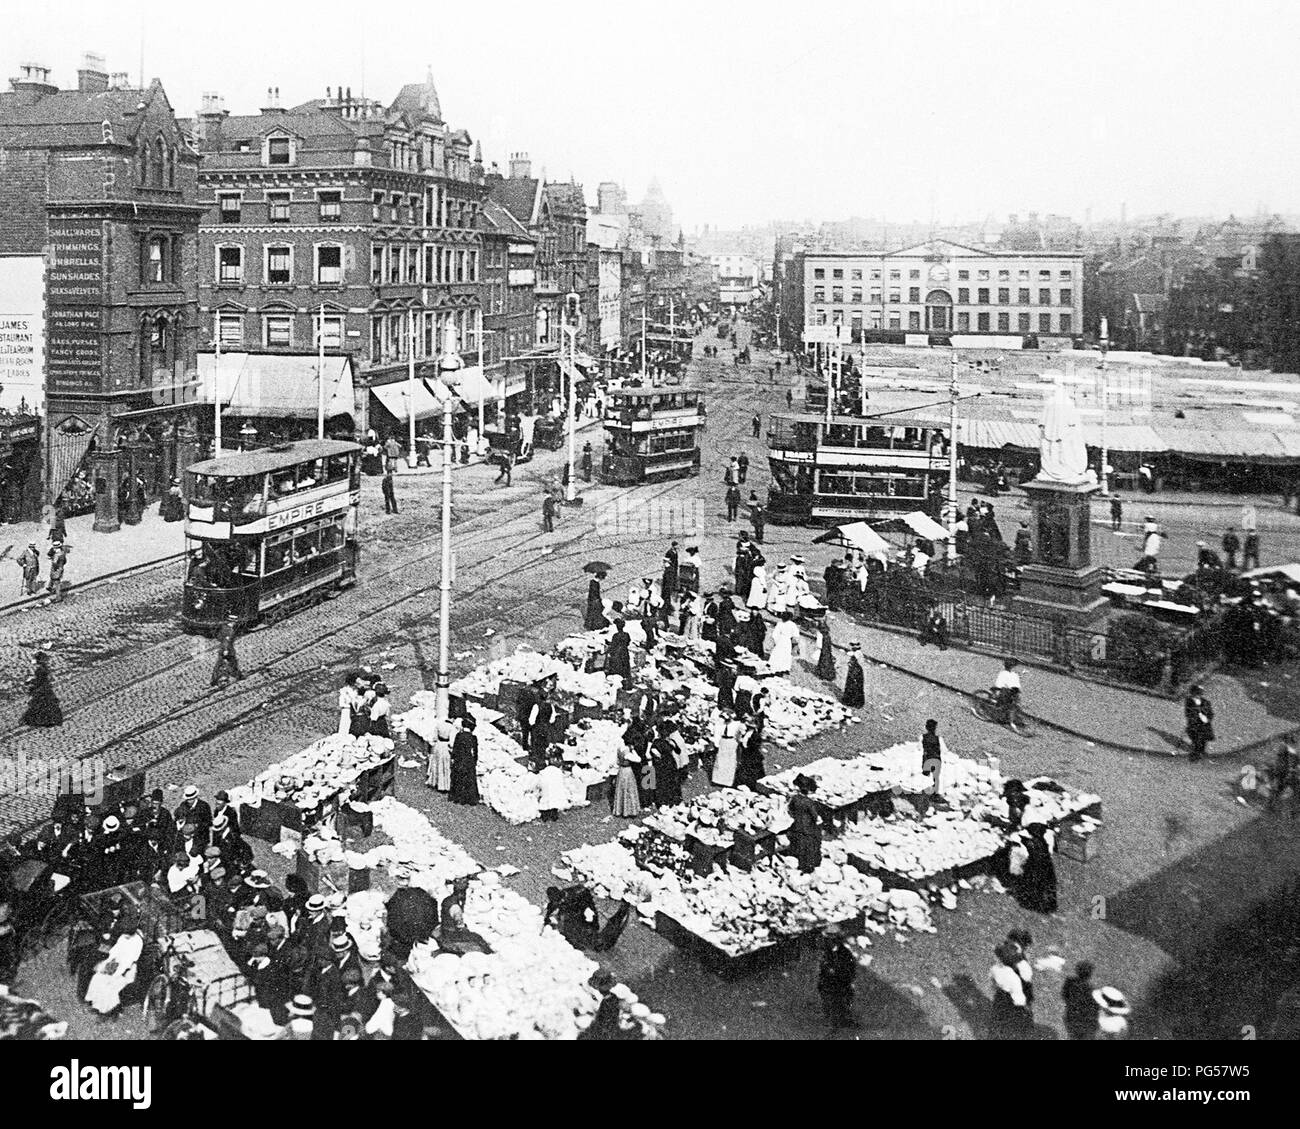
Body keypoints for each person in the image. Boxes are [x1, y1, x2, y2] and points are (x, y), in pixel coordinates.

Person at [987, 939, 1033, 1039]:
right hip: (1011, 1002)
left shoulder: (995, 969)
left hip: (999, 998)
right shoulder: (1014, 977)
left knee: (996, 1024)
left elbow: (993, 983)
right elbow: (1019, 999)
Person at [817, 925, 858, 1029]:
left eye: (830, 939)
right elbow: (823, 969)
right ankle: (834, 1021)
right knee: (830, 1002)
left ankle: (843, 1019)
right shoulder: (827, 952)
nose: (827, 941)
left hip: (842, 982)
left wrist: (838, 973)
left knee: (843, 1001)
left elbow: (850, 969)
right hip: (829, 983)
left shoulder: (845, 953)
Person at [1013, 823, 1058, 913]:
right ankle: (1049, 902)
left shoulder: (1034, 843)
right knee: (1047, 884)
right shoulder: (1042, 841)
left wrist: (1021, 838)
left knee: (1037, 884)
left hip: (1037, 867)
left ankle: (1037, 902)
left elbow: (1028, 845)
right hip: (1045, 866)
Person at [787, 774, 822, 873]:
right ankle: (808, 866)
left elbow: (790, 809)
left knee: (800, 846)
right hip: (808, 827)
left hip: (797, 825)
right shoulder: (809, 802)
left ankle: (800, 863)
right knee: (809, 847)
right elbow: (814, 816)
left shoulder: (795, 799)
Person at [21, 650, 63, 728]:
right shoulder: (44, 667)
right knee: (48, 704)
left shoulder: (40, 669)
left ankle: (41, 721)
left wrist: (30, 682)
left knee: (39, 704)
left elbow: (40, 680)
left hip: (41, 688)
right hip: (45, 688)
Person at [1062, 961, 1099, 1040]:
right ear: (1090, 974)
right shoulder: (1091, 990)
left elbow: (1065, 997)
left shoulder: (1070, 984)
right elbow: (1095, 1009)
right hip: (1085, 1022)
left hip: (1072, 1018)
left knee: (1073, 1037)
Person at [448, 717, 480, 806]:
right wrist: (474, 761)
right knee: (469, 779)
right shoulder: (473, 738)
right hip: (468, 760)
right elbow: (475, 752)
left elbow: (455, 748)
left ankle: (457, 797)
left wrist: (453, 757)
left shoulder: (459, 735)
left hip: (459, 759)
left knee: (458, 777)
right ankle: (469, 798)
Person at [211, 613, 245, 687]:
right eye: (234, 622)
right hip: (228, 650)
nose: (235, 623)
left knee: (219, 664)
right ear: (232, 622)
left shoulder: (223, 627)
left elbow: (218, 637)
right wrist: (226, 650)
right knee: (233, 663)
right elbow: (227, 641)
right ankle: (238, 676)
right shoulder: (230, 630)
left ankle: (214, 680)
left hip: (222, 649)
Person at [712, 710, 743, 787]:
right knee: (720, 760)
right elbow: (717, 733)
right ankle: (717, 780)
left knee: (730, 761)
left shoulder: (737, 724)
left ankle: (728, 781)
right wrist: (716, 744)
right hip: (723, 741)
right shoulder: (720, 724)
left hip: (732, 741)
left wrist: (738, 741)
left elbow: (740, 733)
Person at [1184, 684, 1214, 762]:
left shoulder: (1206, 702)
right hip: (1194, 725)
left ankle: (1201, 753)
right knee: (1196, 740)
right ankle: (1195, 755)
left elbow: (1210, 713)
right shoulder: (1189, 701)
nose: (1198, 695)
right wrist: (1197, 716)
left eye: (1199, 693)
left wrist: (1207, 718)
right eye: (1196, 693)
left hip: (1205, 725)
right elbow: (1188, 713)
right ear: (1192, 693)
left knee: (1203, 740)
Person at [612, 744, 642, 818]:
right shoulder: (628, 753)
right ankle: (630, 811)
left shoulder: (619, 748)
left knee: (621, 790)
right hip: (627, 771)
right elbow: (638, 759)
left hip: (621, 771)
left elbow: (617, 762)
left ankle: (619, 810)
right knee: (629, 790)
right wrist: (633, 750)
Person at [1269, 741, 1300, 814]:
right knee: (1278, 789)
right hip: (1285, 776)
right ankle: (1272, 805)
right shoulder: (1284, 760)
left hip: (1289, 777)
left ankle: (1273, 804)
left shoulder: (1292, 758)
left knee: (1280, 790)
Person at [768, 611, 799, 675]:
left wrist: (776, 641)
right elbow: (796, 635)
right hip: (787, 641)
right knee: (786, 654)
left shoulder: (780, 623)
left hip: (781, 640)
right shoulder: (793, 625)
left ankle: (775, 664)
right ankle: (785, 668)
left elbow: (775, 634)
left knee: (778, 652)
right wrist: (794, 643)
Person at [921, 719, 945, 796]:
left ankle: (926, 792)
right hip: (935, 758)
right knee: (935, 778)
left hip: (928, 758)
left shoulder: (924, 737)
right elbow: (940, 750)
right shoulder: (937, 738)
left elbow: (924, 750)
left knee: (926, 776)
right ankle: (934, 793)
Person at [605, 618, 632, 683]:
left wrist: (608, 644)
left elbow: (613, 645)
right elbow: (628, 643)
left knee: (616, 666)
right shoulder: (626, 634)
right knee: (625, 666)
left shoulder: (616, 635)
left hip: (617, 653)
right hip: (624, 652)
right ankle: (625, 679)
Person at [843, 642, 865, 708]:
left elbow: (857, 661)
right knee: (854, 685)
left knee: (853, 685)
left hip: (855, 671)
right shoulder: (857, 653)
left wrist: (851, 664)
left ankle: (852, 701)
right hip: (855, 670)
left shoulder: (857, 653)